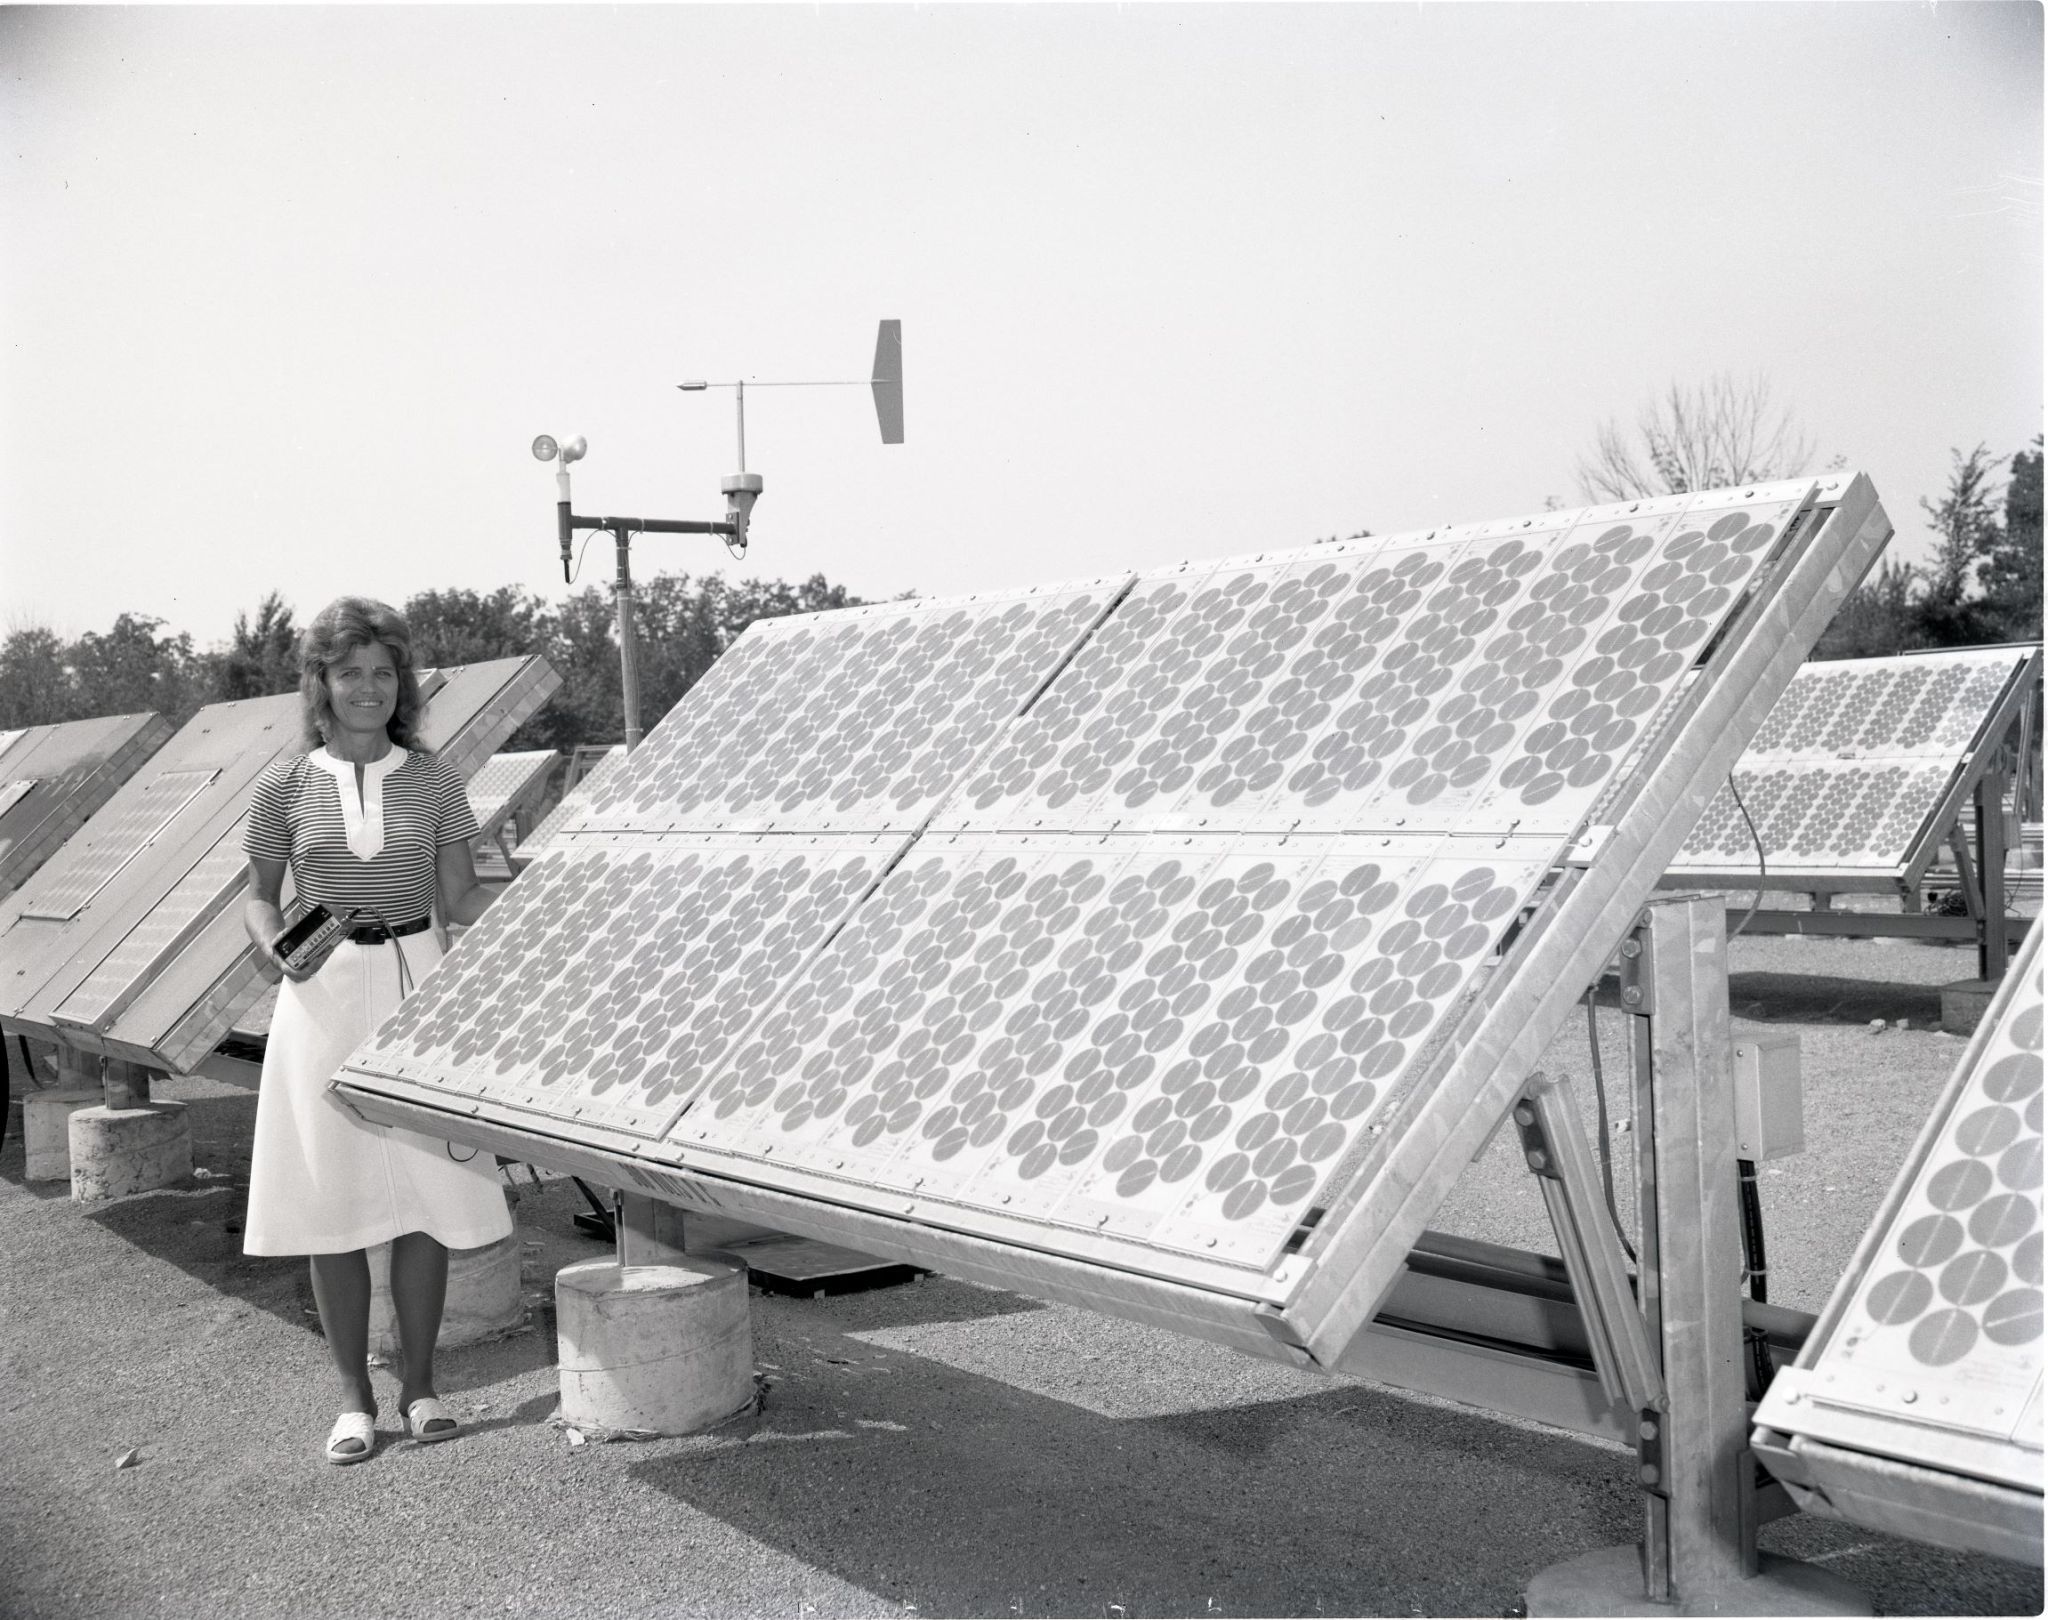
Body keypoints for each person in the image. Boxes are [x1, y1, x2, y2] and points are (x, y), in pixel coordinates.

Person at [240, 596, 511, 1465]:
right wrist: (275, 947)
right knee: (335, 1200)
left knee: (426, 1193)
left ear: (402, 688)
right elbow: (257, 897)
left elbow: (462, 898)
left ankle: (423, 1385)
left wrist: (558, 895)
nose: (367, 688)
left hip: (416, 979)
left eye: (383, 673)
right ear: (320, 684)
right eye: (349, 671)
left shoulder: (434, 781)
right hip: (319, 997)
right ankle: (355, 1398)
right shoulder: (283, 786)